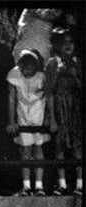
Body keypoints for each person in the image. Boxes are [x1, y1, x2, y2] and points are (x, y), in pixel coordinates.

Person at [6, 49, 51, 196]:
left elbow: (49, 97)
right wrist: (12, 121)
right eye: (24, 68)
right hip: (23, 115)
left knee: (38, 149)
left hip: (38, 114)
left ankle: (39, 186)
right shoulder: (14, 74)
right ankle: (26, 186)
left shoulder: (42, 77)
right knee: (25, 150)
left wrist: (49, 118)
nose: (26, 71)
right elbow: (12, 98)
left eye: (30, 68)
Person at [45, 28, 83, 196]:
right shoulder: (53, 62)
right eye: (64, 42)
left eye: (70, 42)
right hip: (59, 105)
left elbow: (81, 87)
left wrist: (74, 76)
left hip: (74, 106)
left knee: (77, 146)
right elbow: (49, 92)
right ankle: (62, 183)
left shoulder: (78, 62)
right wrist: (52, 117)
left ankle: (79, 184)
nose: (68, 45)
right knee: (60, 145)